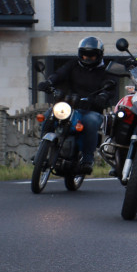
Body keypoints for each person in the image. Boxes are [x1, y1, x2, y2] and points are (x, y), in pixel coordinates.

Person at [37, 37, 118, 175]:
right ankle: (41, 151)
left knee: (91, 122)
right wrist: (49, 83)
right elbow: (59, 74)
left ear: (99, 55)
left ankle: (87, 159)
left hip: (91, 109)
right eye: (85, 54)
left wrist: (103, 96)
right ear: (80, 54)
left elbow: (110, 85)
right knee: (48, 115)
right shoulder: (73, 65)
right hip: (70, 106)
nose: (87, 57)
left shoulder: (105, 70)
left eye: (92, 55)